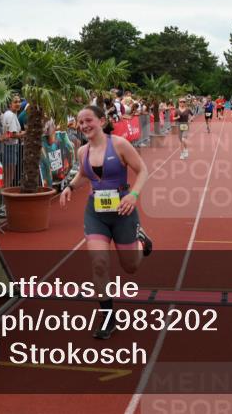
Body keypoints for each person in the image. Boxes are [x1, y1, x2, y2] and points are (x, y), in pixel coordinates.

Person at [59, 105, 153, 340]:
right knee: (99, 263)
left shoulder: (119, 144)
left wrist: (134, 195)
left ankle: (141, 240)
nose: (84, 126)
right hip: (96, 213)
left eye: (88, 120)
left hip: (123, 210)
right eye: (80, 123)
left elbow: (142, 170)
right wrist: (70, 187)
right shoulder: (83, 151)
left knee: (130, 267)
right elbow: (83, 174)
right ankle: (108, 316)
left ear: (101, 121)